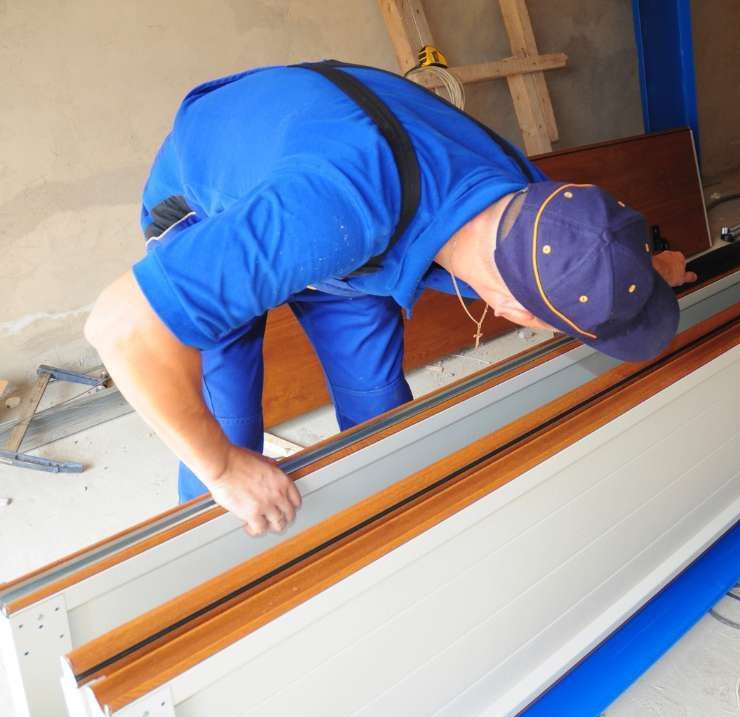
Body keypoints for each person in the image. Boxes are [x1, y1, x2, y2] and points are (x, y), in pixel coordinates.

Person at [84, 61, 696, 537]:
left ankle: (382, 538)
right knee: (228, 429)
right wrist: (222, 468)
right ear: (516, 315)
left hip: (338, 192)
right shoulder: (333, 212)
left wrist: (646, 274)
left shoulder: (538, 205)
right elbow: (120, 328)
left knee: (379, 412)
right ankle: (212, 569)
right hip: (213, 198)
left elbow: (588, 249)